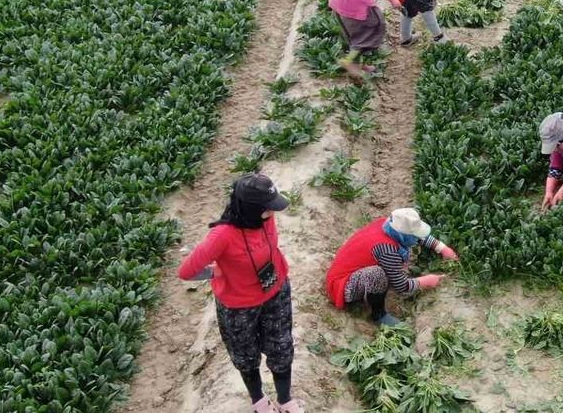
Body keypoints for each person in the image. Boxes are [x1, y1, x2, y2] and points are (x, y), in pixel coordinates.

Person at [178, 174, 305, 413]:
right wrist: (218, 273)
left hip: (275, 291)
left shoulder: (264, 219)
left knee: (282, 347)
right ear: (249, 209)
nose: (273, 213)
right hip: (239, 306)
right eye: (268, 209)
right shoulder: (222, 235)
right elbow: (186, 271)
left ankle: (285, 400)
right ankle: (259, 401)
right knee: (245, 355)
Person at [325, 208, 458, 326]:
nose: (417, 238)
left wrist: (442, 248)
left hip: (345, 269)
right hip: (342, 285)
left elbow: (417, 235)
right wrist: (426, 281)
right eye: (413, 235)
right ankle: (379, 315)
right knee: (377, 275)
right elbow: (401, 286)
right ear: (403, 235)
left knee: (382, 273)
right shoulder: (387, 250)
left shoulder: (388, 224)